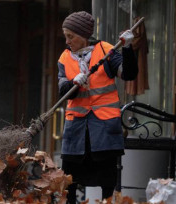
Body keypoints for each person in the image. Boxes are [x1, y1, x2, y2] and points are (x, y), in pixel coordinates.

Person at [57, 11, 138, 203]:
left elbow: (128, 74)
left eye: (71, 36)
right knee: (69, 178)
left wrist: (127, 49)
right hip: (76, 129)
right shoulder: (65, 58)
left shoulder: (106, 51)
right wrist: (73, 84)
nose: (67, 41)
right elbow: (63, 90)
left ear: (84, 35)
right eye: (65, 37)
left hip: (104, 127)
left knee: (107, 178)